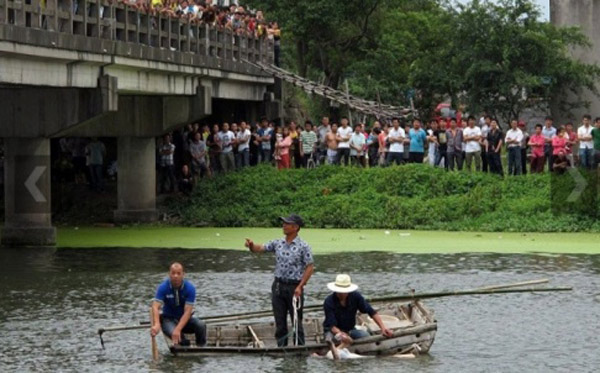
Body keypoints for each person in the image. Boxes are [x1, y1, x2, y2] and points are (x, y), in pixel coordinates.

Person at [245, 214, 315, 347]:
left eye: (287, 223)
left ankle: (299, 348)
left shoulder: (303, 246)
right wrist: (251, 246)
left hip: (295, 287)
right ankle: (281, 348)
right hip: (278, 286)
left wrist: (301, 286)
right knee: (280, 321)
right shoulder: (278, 243)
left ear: (295, 227)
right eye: (283, 223)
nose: (283, 225)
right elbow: (260, 249)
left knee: (296, 320)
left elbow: (310, 267)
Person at [323, 274, 393, 347]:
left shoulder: (355, 296)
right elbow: (332, 326)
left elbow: (371, 312)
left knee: (366, 336)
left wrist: (383, 328)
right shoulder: (329, 302)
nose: (342, 294)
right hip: (334, 332)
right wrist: (342, 335)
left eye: (344, 291)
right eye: (340, 291)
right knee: (332, 340)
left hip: (350, 330)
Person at [150, 262, 207, 347]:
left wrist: (178, 329)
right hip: (168, 319)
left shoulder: (190, 288)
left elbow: (188, 312)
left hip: (184, 319)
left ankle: (201, 347)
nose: (175, 276)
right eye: (173, 273)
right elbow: (155, 306)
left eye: (178, 273)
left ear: (183, 275)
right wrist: (157, 324)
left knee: (201, 325)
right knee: (179, 338)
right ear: (169, 274)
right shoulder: (163, 287)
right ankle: (184, 345)